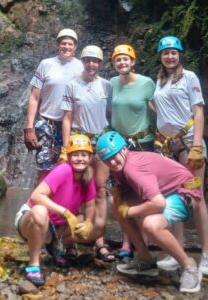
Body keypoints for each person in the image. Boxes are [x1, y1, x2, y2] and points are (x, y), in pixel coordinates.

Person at [96, 131, 203, 293]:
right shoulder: (121, 165)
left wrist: (130, 211)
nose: (112, 161)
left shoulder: (133, 168)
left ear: (124, 149)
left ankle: (189, 266)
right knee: (115, 203)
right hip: (166, 192)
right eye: (107, 160)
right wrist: (119, 196)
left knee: (151, 225)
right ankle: (146, 259)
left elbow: (158, 203)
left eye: (114, 155)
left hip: (185, 192)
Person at [152, 36, 208, 277]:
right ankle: (176, 252)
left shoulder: (189, 78)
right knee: (173, 198)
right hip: (168, 147)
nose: (170, 56)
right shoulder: (160, 80)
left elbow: (198, 112)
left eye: (173, 53)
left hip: (189, 145)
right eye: (165, 53)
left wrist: (197, 146)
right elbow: (159, 106)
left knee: (196, 198)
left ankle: (206, 254)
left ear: (180, 55)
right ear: (160, 56)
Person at [15, 135, 97, 286]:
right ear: (69, 156)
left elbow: (91, 205)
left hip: (57, 227)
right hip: (31, 220)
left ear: (90, 157)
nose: (80, 159)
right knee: (40, 211)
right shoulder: (64, 170)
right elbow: (36, 196)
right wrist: (65, 212)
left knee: (93, 225)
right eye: (76, 155)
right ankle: (34, 264)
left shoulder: (88, 176)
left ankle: (56, 246)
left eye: (84, 155)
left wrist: (89, 222)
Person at [60, 45, 115, 262]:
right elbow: (66, 117)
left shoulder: (107, 86)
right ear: (82, 61)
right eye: (88, 60)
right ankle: (71, 240)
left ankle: (99, 240)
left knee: (100, 191)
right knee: (76, 190)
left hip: (101, 142)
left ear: (100, 64)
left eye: (96, 61)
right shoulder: (72, 85)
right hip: (79, 142)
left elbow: (113, 113)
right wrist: (66, 149)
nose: (91, 64)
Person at [110, 44, 156, 260]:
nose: (122, 62)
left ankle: (141, 243)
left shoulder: (147, 84)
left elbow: (160, 108)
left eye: (125, 59)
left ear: (133, 61)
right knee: (122, 193)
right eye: (118, 59)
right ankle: (127, 241)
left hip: (141, 144)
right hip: (117, 146)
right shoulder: (111, 84)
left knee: (140, 193)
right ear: (114, 63)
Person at [23, 28, 83, 183]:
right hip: (47, 125)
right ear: (58, 45)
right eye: (63, 43)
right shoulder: (46, 64)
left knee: (72, 171)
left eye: (70, 44)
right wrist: (29, 127)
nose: (67, 47)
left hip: (73, 127)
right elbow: (34, 97)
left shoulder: (82, 67)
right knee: (44, 170)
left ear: (75, 47)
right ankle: (39, 204)